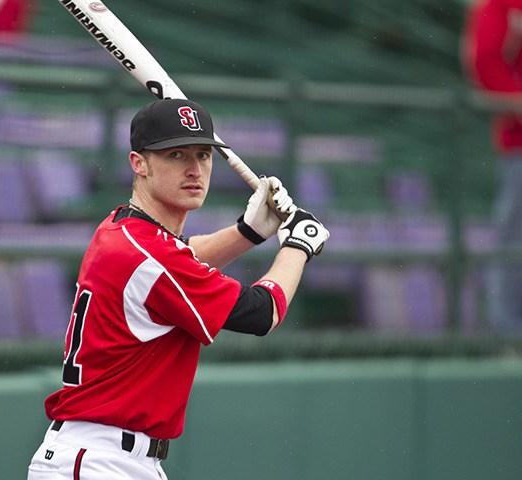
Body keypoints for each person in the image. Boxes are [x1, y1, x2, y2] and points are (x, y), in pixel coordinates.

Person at [26, 98, 329, 479]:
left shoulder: (122, 230)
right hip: (99, 460)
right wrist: (299, 245)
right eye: (175, 155)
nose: (194, 169)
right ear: (139, 163)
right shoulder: (150, 255)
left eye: (203, 155)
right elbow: (261, 312)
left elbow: (183, 257)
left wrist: (248, 232)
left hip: (110, 456)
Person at [462, 0, 522, 331]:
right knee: (515, 235)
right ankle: (508, 332)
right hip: (519, 144)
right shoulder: (499, 4)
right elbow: (485, 60)